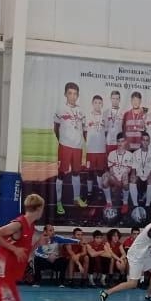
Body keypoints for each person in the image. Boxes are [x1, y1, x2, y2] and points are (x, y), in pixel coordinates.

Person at [100, 210, 151, 301]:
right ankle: (106, 292)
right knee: (133, 283)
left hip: (145, 255)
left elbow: (147, 243)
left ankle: (149, 295)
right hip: (136, 256)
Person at [54, 82, 85, 214]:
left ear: (78, 95)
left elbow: (83, 129)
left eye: (75, 94)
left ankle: (76, 198)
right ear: (65, 94)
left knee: (76, 173)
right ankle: (58, 202)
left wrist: (81, 142)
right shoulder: (60, 109)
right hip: (65, 146)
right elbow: (56, 128)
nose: (73, 96)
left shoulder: (81, 111)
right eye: (70, 93)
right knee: (61, 174)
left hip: (77, 147)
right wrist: (62, 141)